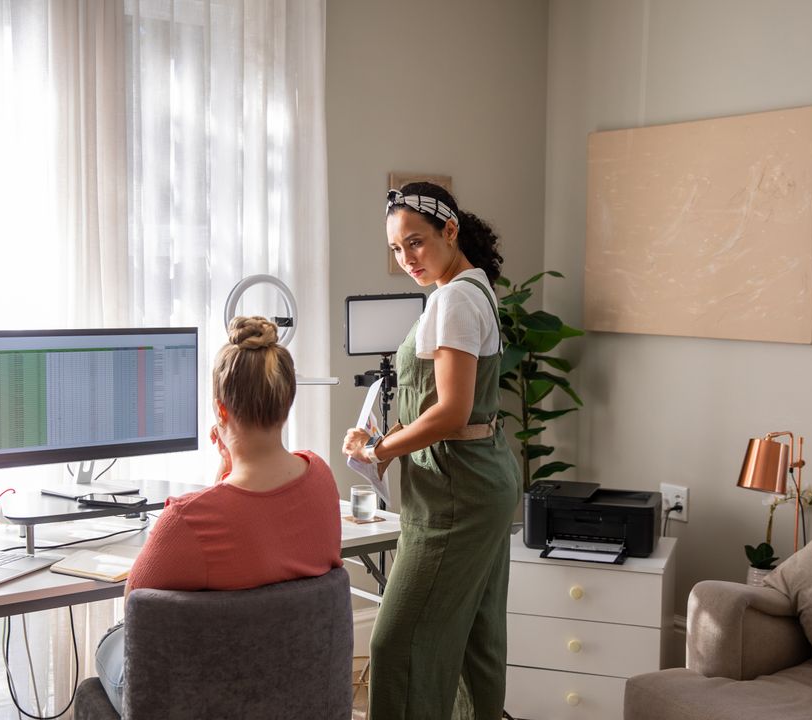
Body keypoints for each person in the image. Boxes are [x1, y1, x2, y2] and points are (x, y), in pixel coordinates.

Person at [95, 316, 342, 715]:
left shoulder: (189, 520)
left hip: (202, 702)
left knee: (113, 641)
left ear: (220, 410)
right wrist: (228, 471)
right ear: (288, 400)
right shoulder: (321, 477)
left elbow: (135, 610)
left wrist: (222, 475)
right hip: (289, 693)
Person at [342, 182, 520, 720]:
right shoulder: (475, 287)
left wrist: (380, 448)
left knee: (396, 644)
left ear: (450, 230)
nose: (407, 259)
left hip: (455, 494)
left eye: (416, 242)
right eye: (397, 249)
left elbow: (450, 412)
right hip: (482, 481)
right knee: (475, 639)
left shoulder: (454, 300)